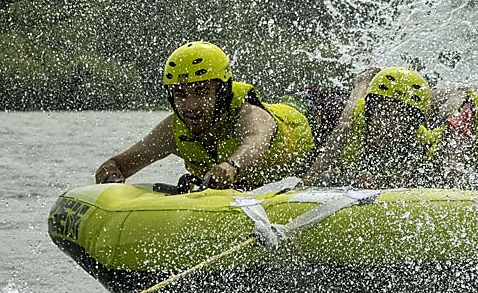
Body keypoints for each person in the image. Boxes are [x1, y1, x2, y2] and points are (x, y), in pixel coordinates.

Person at [94, 41, 315, 190]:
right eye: (180, 95)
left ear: (222, 92)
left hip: (315, 117)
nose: (190, 105)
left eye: (201, 92)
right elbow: (117, 165)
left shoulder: (250, 115)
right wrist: (110, 176)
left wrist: (230, 167)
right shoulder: (173, 131)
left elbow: (255, 144)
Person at [301, 66, 434, 189]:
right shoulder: (353, 121)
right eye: (384, 112)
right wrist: (304, 185)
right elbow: (313, 174)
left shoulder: (419, 141)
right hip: (346, 171)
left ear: (411, 125)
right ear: (370, 111)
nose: (387, 124)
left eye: (400, 118)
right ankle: (362, 82)